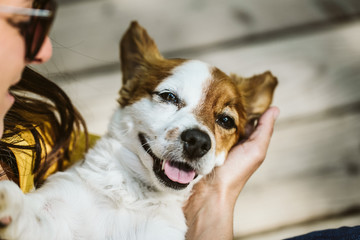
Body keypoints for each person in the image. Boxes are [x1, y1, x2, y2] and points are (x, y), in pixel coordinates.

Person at [0, 0, 300, 239]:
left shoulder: (166, 228)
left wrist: (216, 196)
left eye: (223, 120)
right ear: (132, 83)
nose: (198, 136)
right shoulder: (69, 191)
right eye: (169, 98)